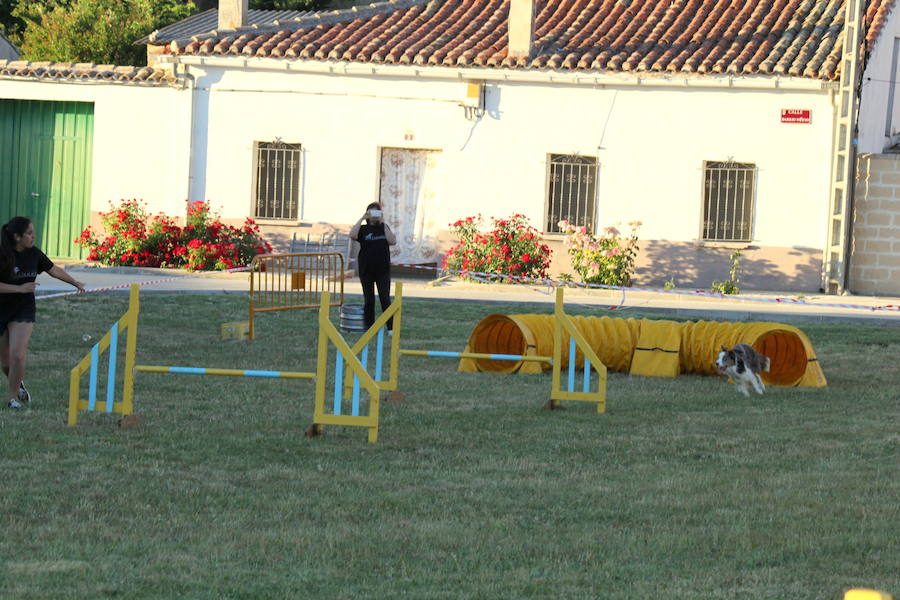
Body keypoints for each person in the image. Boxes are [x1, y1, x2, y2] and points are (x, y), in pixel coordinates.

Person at [0, 217, 85, 409]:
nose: (33, 236)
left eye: (33, 232)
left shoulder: (34, 254)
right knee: (5, 362)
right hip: (2, 308)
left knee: (18, 355)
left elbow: (53, 269)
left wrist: (75, 283)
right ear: (17, 236)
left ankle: (12, 398)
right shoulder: (3, 255)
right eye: (29, 233)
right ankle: (18, 383)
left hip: (23, 309)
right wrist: (20, 288)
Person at [349, 202, 396, 333]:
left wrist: (383, 222)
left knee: (385, 299)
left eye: (376, 212)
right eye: (371, 213)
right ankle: (370, 328)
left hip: (383, 271)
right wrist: (362, 218)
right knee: (369, 300)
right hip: (366, 270)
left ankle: (390, 328)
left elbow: (392, 241)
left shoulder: (384, 228)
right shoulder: (363, 229)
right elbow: (352, 235)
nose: (374, 216)